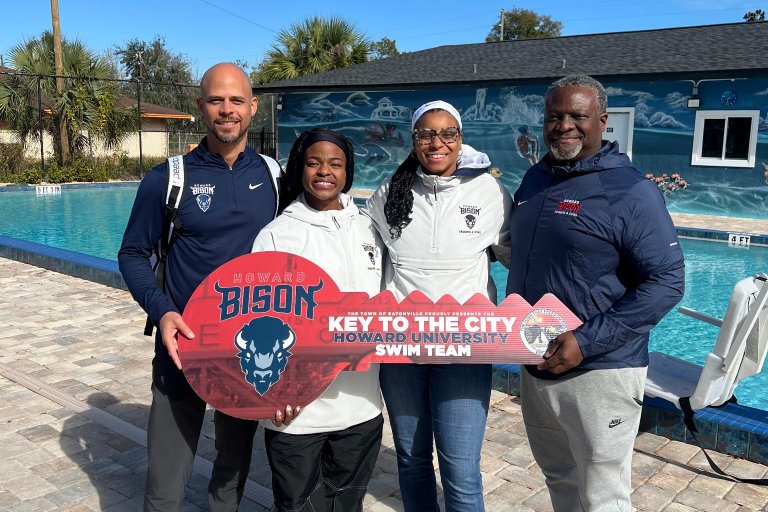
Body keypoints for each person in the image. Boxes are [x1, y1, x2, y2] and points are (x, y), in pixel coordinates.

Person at [505, 74, 685, 511]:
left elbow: (667, 282)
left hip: (600, 370)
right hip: (536, 362)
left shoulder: (630, 191)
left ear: (602, 122)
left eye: (577, 116)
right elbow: (522, 254)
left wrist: (585, 342)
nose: (564, 125)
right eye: (554, 116)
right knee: (560, 481)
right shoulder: (535, 179)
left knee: (604, 496)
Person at [118, 62, 281, 511]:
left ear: (252, 107)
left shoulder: (273, 176)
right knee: (165, 488)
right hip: (183, 346)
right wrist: (163, 311)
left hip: (246, 349)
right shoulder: (167, 180)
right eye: (215, 100)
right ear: (200, 107)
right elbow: (132, 254)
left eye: (235, 100)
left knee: (230, 480)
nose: (226, 110)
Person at [365, 100, 512, 511]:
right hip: (401, 350)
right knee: (411, 460)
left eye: (448, 133)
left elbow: (516, 255)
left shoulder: (490, 194)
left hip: (465, 350)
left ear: (460, 139)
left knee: (461, 470)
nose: (437, 142)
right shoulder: (389, 193)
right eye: (426, 134)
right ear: (414, 141)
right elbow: (365, 258)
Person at [252, 128, 384, 511]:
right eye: (314, 162)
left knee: (347, 506)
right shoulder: (277, 236)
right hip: (296, 413)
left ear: (348, 172)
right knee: (298, 506)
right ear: (300, 168)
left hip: (361, 405)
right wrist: (270, 390)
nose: (324, 171)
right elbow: (256, 323)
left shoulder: (369, 230)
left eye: (335, 164)